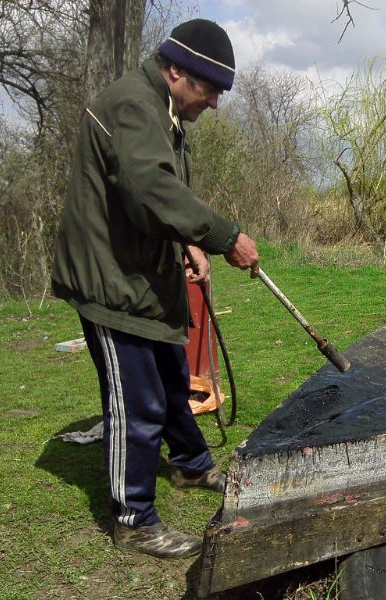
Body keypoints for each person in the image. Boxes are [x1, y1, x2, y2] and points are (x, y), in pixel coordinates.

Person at [50, 19, 258, 559]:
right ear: (175, 71)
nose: (212, 103)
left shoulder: (158, 107)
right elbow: (151, 190)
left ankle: (190, 465)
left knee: (170, 378)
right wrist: (222, 236)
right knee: (136, 403)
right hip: (109, 281)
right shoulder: (133, 105)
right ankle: (133, 517)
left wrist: (187, 243)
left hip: (140, 270)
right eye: (209, 89)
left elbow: (151, 197)